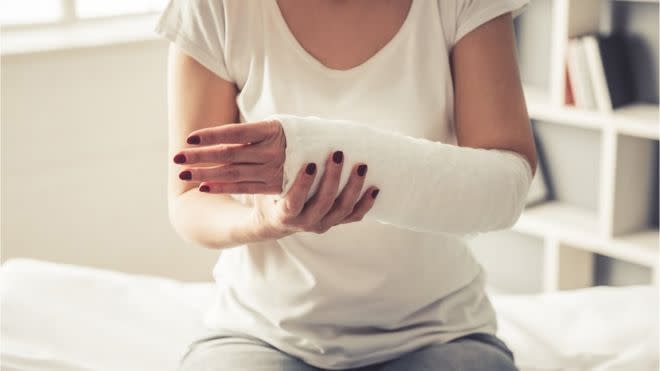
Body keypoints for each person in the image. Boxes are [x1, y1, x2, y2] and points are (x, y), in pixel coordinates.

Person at [155, 0, 537, 370]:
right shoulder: (213, 6)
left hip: (437, 332)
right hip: (262, 331)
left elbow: (505, 185)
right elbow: (190, 201)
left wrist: (323, 149)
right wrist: (263, 222)